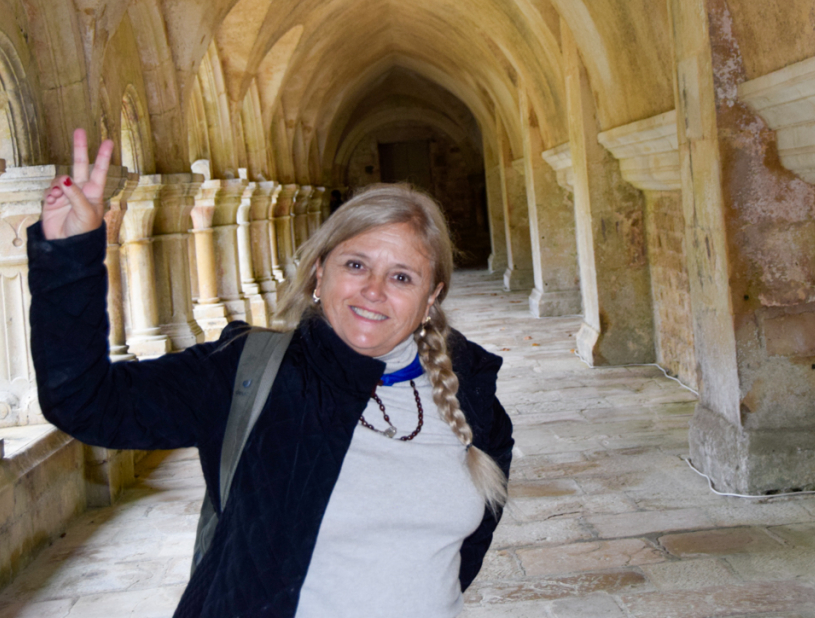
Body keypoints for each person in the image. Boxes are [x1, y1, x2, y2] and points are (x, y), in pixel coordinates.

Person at [28, 129, 512, 617]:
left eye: (402, 276)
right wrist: (70, 258)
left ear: (431, 298)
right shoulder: (247, 370)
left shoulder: (471, 395)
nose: (374, 289)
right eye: (356, 264)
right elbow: (86, 401)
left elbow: (464, 551)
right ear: (319, 273)